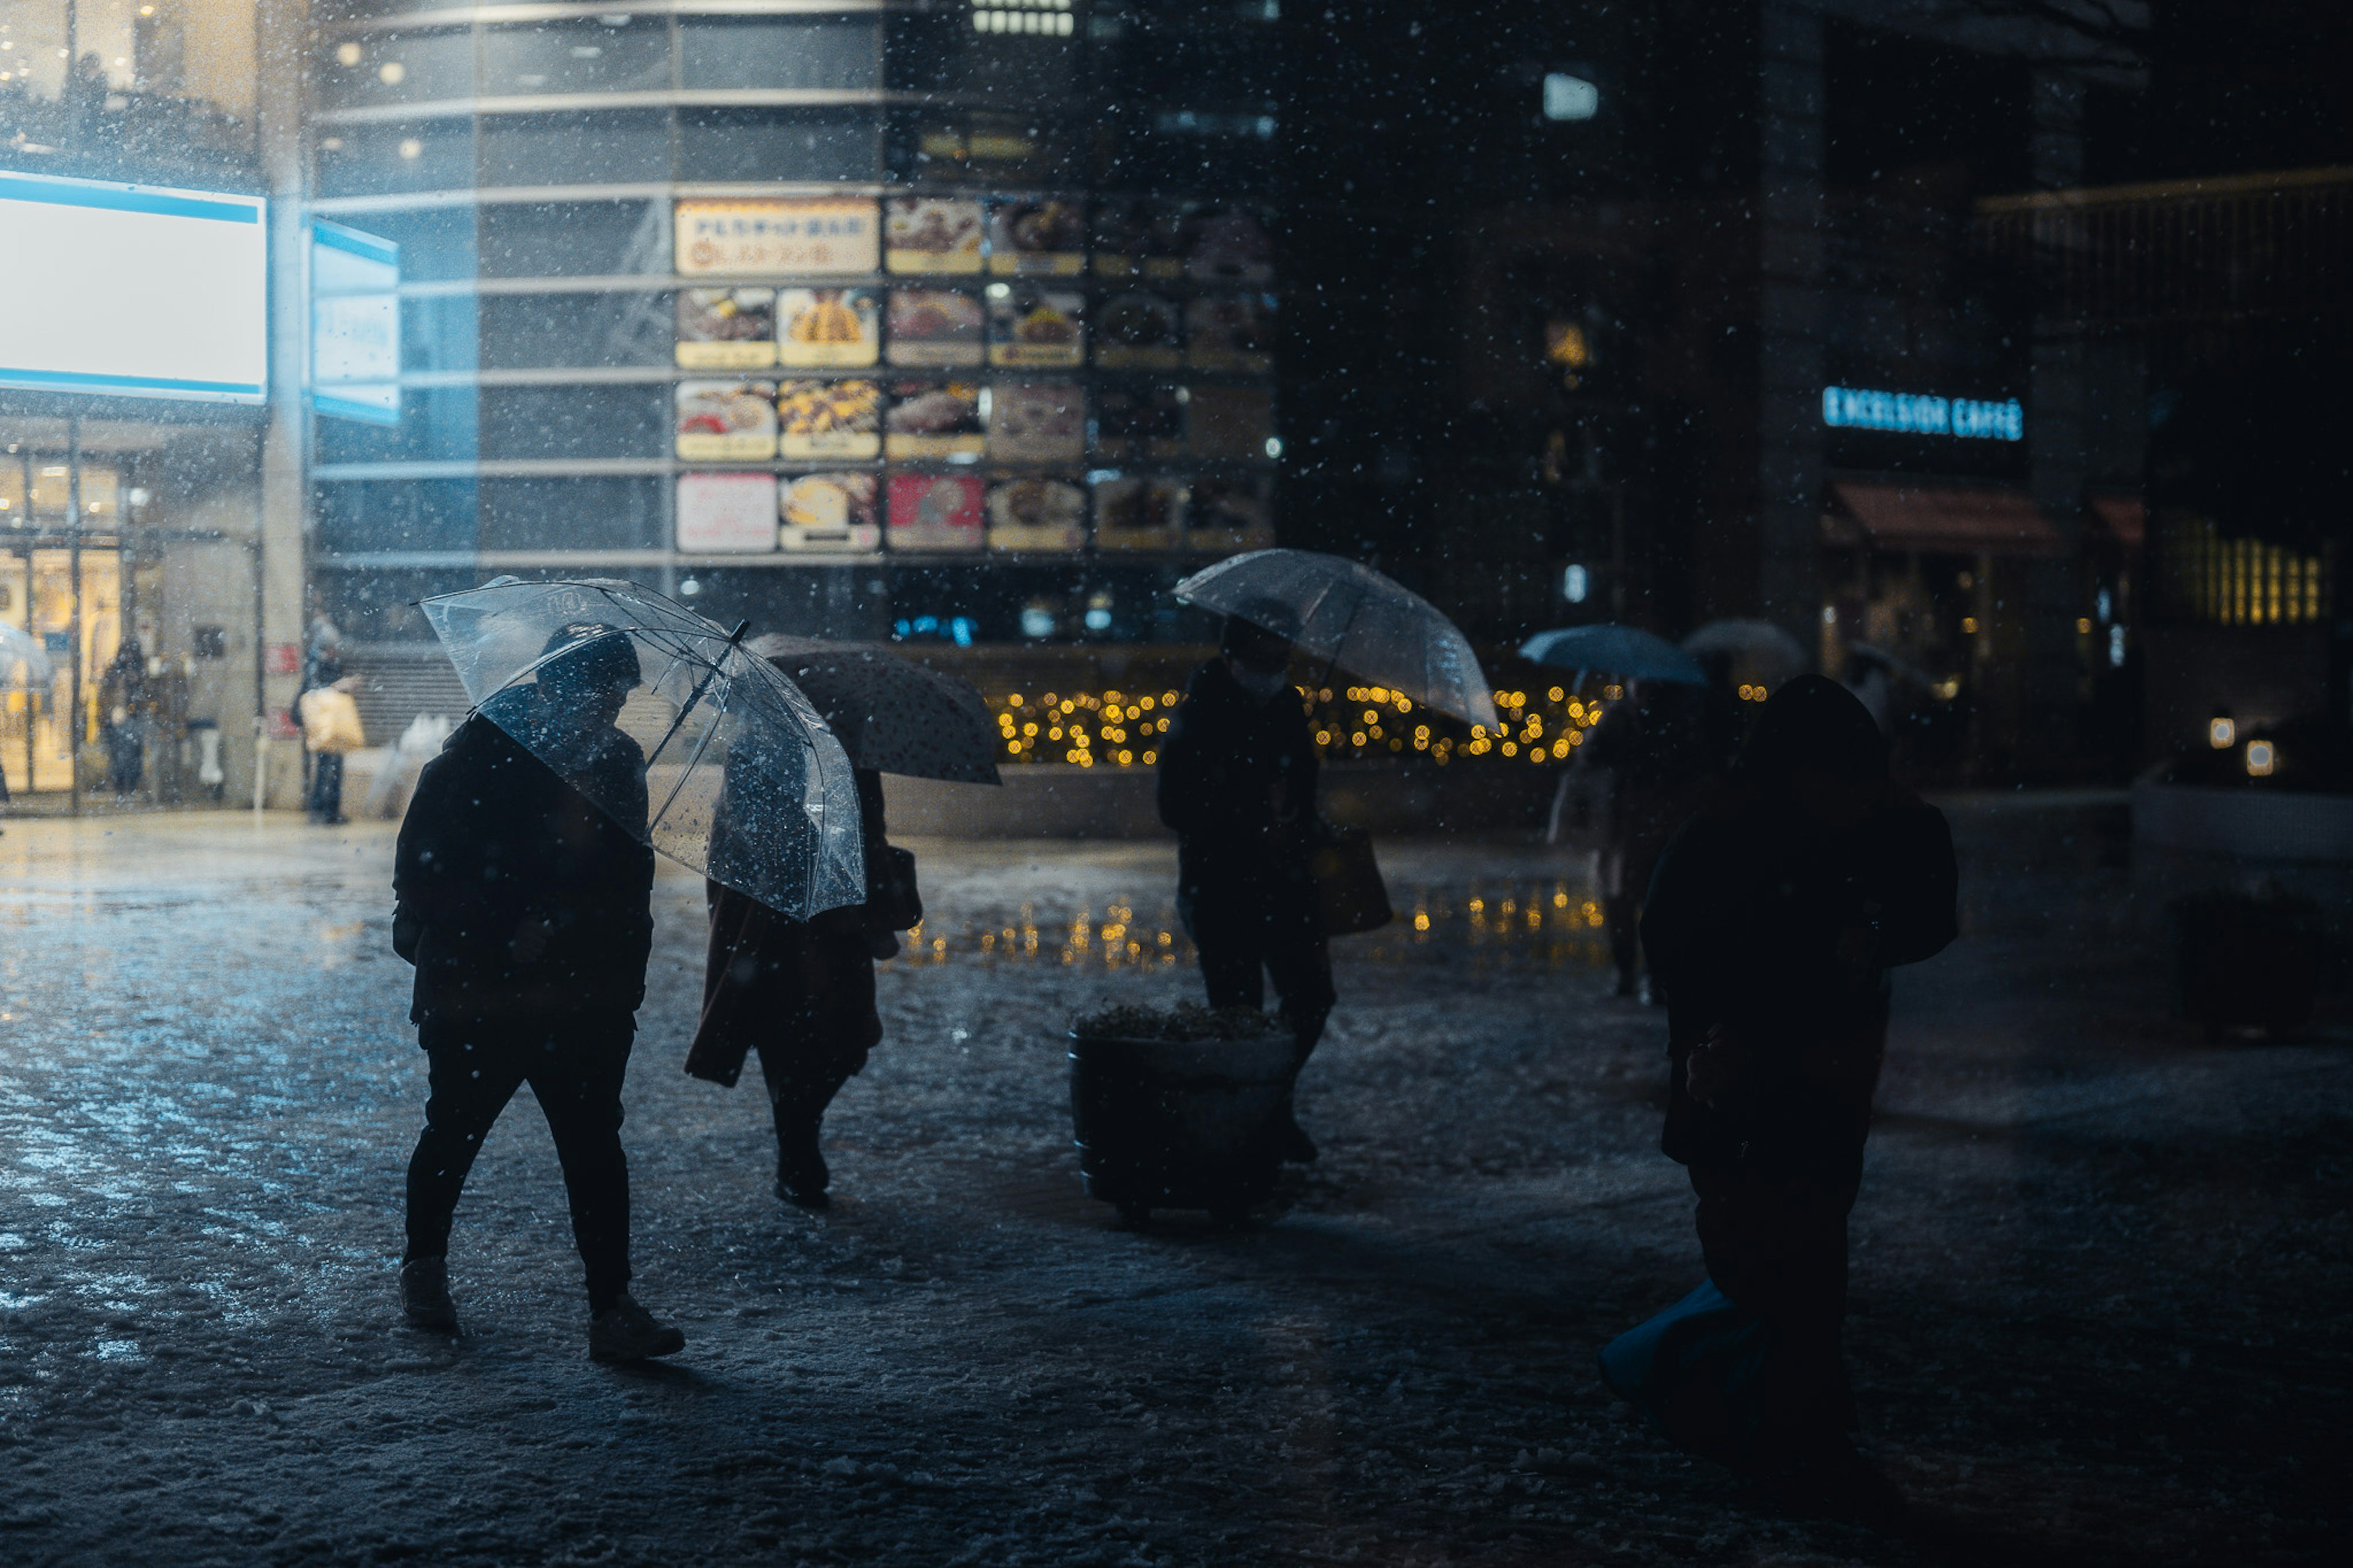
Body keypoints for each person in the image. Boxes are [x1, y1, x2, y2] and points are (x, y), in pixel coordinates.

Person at [1601, 675, 1956, 1518]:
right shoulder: (1722, 839)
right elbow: (1682, 957)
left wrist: (1870, 928)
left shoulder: (1861, 833)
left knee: (1805, 1267)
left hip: (1825, 1090)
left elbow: (1927, 900)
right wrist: (1728, 1041)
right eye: (1844, 781)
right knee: (1773, 1268)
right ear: (1800, 772)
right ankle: (1727, 1401)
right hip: (1743, 1093)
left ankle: (1791, 1432)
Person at [390, 623, 684, 1363]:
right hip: (479, 992)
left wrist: (615, 973)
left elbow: (626, 881)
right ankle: (423, 1269)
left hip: (581, 998)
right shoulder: (474, 757)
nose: (613, 708)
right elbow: (421, 876)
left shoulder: (615, 762)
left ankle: (612, 1308)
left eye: (621, 692)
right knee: (453, 1131)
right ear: (555, 684)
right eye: (601, 690)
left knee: (593, 1152)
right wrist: (504, 924)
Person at [1157, 605, 1334, 1163]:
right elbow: (1175, 806)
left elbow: (1302, 789)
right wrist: (1249, 809)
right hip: (1222, 888)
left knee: (1311, 996)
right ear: (1233, 656)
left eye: (1283, 650)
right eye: (1265, 651)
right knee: (1239, 1014)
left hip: (1286, 886)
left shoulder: (1286, 709)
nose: (1276, 663)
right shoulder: (1199, 716)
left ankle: (1270, 1103)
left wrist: (1301, 819)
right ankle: (1244, 1129)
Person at [688, 758, 897, 1210]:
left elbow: (870, 828)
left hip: (833, 921)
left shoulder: (846, 752)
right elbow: (744, 836)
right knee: (789, 1037)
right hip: (774, 923)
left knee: (839, 1042)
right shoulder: (761, 749)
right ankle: (797, 1151)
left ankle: (798, 1141)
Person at [1551, 679, 1727, 1001]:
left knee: (1653, 905)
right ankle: (1628, 972)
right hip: (1623, 828)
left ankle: (1648, 976)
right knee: (1622, 903)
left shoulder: (1676, 721)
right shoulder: (1620, 718)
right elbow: (1588, 759)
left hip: (1654, 826)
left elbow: (1695, 770)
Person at [298, 676, 365, 825]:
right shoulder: (316, 664)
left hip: (334, 732)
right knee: (326, 774)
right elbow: (313, 692)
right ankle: (321, 811)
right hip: (326, 732)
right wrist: (335, 687)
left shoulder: (330, 664)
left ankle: (329, 811)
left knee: (332, 774)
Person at [99, 640, 150, 797]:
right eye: (125, 653)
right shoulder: (113, 672)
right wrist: (106, 716)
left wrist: (138, 684)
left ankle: (131, 785)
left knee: (134, 755)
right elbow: (105, 696)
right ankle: (120, 787)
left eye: (131, 653)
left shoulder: (140, 673)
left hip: (134, 717)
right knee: (119, 756)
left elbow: (147, 695)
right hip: (116, 719)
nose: (128, 657)